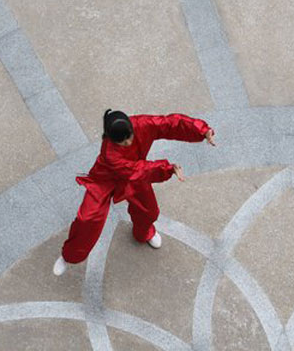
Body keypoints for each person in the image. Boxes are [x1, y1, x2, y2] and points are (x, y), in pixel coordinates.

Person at [53, 109, 216, 276]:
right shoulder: (110, 154)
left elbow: (170, 123)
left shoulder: (142, 123)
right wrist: (167, 168)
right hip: (106, 179)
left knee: (150, 211)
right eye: (122, 142)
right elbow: (137, 170)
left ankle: (144, 233)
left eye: (129, 137)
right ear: (111, 139)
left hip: (134, 174)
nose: (129, 142)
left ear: (131, 127)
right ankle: (69, 256)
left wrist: (202, 130)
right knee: (88, 218)